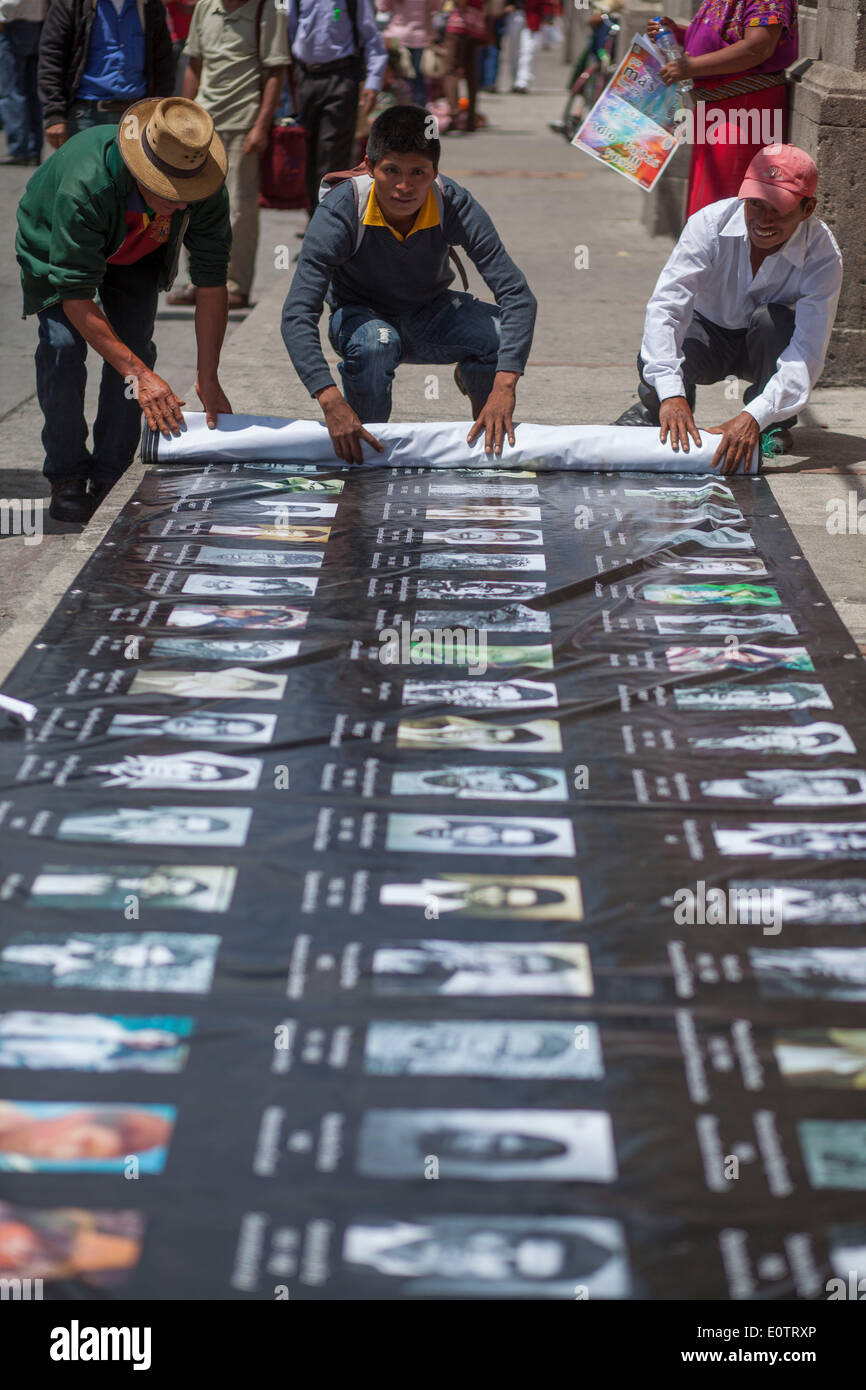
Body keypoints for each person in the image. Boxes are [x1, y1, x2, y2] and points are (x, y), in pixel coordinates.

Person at [16, 96, 232, 522]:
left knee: (133, 350)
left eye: (188, 193)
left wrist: (208, 375)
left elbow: (210, 282)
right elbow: (76, 296)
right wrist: (142, 376)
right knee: (62, 348)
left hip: (137, 251)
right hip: (54, 243)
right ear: (140, 171)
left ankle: (111, 473)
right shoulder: (87, 185)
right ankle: (67, 474)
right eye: (170, 194)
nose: (183, 204)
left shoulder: (203, 185)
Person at [281, 104, 536, 462]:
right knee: (376, 344)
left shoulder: (453, 203)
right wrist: (329, 399)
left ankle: (486, 428)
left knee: (499, 335)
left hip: (431, 313)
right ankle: (365, 443)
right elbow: (297, 312)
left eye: (418, 172)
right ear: (369, 166)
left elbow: (518, 296)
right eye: (391, 171)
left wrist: (504, 385)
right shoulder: (341, 210)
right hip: (362, 319)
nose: (404, 186)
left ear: (435, 172)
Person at [614, 145, 842, 473]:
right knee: (672, 331)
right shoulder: (708, 224)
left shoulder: (823, 254)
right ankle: (657, 409)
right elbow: (666, 307)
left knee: (772, 322)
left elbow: (807, 351)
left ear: (807, 209)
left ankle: (774, 424)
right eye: (755, 204)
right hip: (706, 334)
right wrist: (670, 394)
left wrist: (755, 416)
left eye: (778, 209)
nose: (764, 220)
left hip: (765, 346)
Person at [172, 0, 289, 310]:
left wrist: (261, 126)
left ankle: (235, 285)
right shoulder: (205, 8)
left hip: (244, 122)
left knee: (239, 209)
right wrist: (185, 119)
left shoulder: (268, 10)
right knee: (192, 204)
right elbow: (194, 64)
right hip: (203, 125)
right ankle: (198, 281)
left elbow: (276, 71)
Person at [650, 3, 798, 217]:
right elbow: (725, 38)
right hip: (718, 113)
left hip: (745, 113)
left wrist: (691, 67)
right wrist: (679, 34)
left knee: (725, 211)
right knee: (705, 213)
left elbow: (758, 47)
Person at [287, 0, 387, 215]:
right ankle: (314, 218)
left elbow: (371, 37)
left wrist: (373, 83)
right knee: (305, 153)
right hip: (304, 78)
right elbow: (289, 31)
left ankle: (328, 220)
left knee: (331, 155)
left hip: (340, 77)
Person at [37, 0, 173, 148]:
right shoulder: (73, 4)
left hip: (136, 116)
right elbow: (51, 58)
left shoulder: (148, 5)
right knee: (86, 170)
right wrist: (54, 114)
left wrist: (159, 109)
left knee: (128, 171)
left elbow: (164, 62)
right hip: (85, 115)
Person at [0, 0, 46, 165]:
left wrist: (2, 15)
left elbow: (11, 2)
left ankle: (20, 149)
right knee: (31, 91)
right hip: (36, 22)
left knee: (11, 90)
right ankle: (33, 149)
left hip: (15, 22)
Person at [375, 0, 431, 106]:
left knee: (397, 78)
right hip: (420, 37)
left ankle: (398, 108)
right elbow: (436, 7)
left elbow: (382, 7)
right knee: (418, 79)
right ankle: (419, 112)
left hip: (397, 38)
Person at [443, 0, 486, 134]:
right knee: (471, 74)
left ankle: (454, 115)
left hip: (459, 25)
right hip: (476, 26)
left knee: (451, 72)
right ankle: (470, 119)